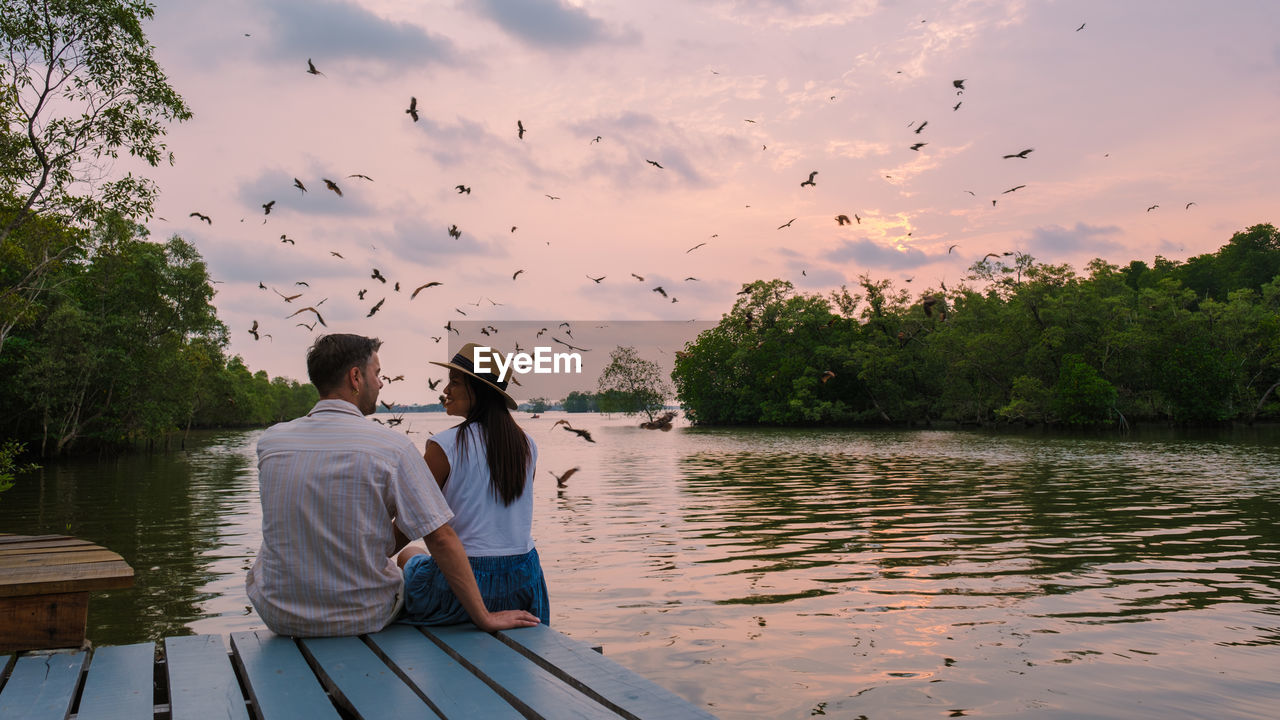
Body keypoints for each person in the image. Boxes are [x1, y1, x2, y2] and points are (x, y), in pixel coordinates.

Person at [246, 333, 539, 637]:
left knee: (409, 556)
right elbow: (440, 536)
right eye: (378, 374)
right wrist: (484, 617)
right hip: (366, 613)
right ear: (356, 377)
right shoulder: (394, 447)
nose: (382, 383)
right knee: (411, 556)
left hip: (277, 614)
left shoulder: (270, 442)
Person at [397, 342, 550, 625]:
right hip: (524, 580)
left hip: (464, 588)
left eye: (454, 382)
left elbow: (410, 521)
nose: (445, 390)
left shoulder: (444, 446)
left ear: (478, 390)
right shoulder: (527, 444)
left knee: (409, 554)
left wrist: (367, 555)